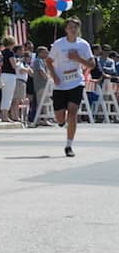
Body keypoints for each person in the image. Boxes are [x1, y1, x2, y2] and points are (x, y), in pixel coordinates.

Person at [46, 17, 95, 157]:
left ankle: (69, 145)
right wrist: (54, 75)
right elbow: (49, 61)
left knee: (73, 112)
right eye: (70, 27)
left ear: (78, 28)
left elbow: (92, 65)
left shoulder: (83, 45)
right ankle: (62, 121)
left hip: (76, 82)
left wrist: (77, 59)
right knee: (60, 118)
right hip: (60, 84)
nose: (72, 30)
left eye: (75, 27)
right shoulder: (58, 44)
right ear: (66, 29)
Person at [30, 46, 51, 126]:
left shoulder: (43, 61)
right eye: (45, 52)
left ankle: (45, 119)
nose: (47, 54)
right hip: (40, 85)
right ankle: (38, 120)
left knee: (45, 102)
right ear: (40, 53)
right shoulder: (38, 61)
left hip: (45, 85)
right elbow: (41, 71)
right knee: (40, 103)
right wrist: (48, 78)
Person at [0, 36, 18, 122]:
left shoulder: (2, 52)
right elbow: (14, 65)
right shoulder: (10, 53)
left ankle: (3, 115)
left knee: (4, 95)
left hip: (3, 74)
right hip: (10, 75)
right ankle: (5, 116)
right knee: (8, 95)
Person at [11, 49, 33, 121]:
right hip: (19, 81)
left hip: (23, 82)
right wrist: (27, 69)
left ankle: (16, 115)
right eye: (28, 57)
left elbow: (31, 74)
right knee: (16, 100)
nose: (29, 59)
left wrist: (27, 69)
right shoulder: (20, 63)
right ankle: (15, 116)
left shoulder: (26, 65)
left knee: (20, 100)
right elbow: (21, 70)